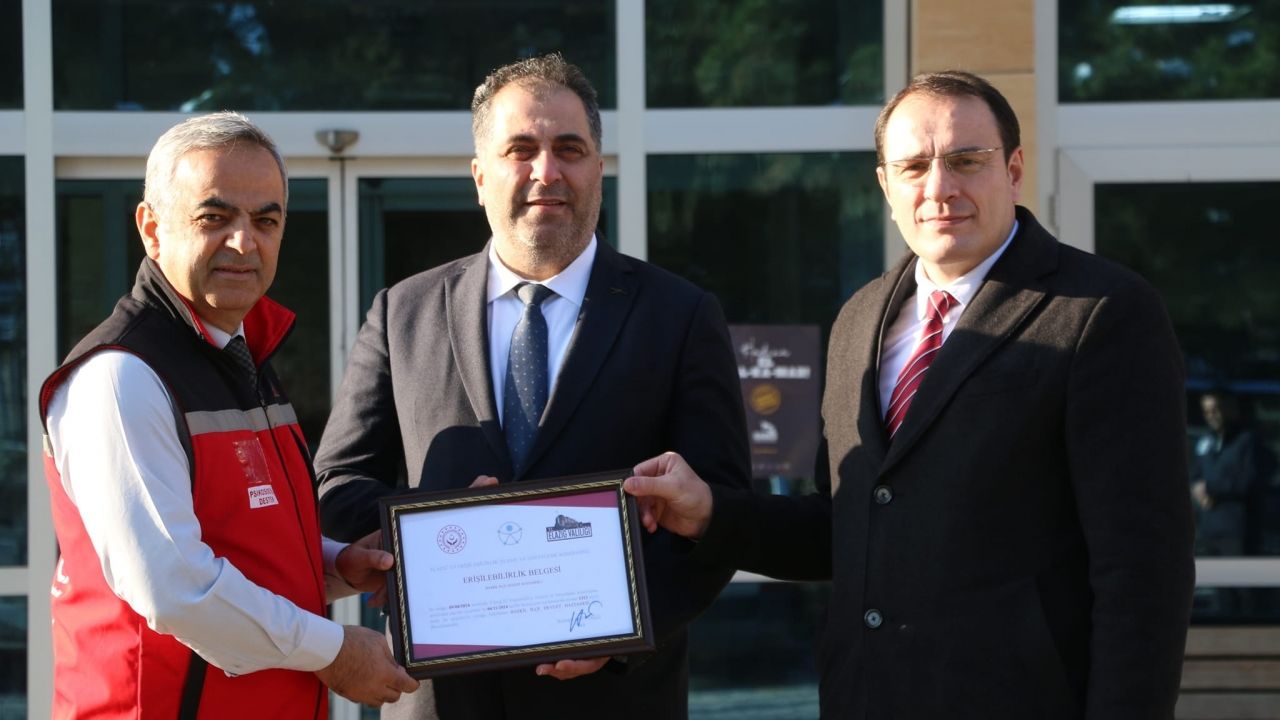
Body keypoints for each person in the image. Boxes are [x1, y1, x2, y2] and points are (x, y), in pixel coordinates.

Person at [625, 70, 1196, 719]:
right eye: (914, 167)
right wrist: (709, 513)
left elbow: (1143, 569)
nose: (939, 188)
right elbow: (843, 528)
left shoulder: (1101, 311)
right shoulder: (859, 320)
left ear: (1013, 170)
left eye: (966, 161)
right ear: (885, 185)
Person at [312, 54, 750, 719]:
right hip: (442, 701)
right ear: (479, 176)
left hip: (611, 701)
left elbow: (722, 512)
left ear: (597, 168)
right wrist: (439, 528)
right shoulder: (403, 312)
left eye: (569, 150)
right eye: (521, 150)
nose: (547, 171)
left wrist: (623, 635)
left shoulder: (680, 315)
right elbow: (338, 487)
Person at [40, 112, 419, 718]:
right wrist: (334, 651)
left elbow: (243, 544)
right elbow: (174, 588)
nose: (244, 242)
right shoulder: (121, 376)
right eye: (214, 218)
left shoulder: (239, 357)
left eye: (266, 220)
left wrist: (334, 565)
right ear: (152, 228)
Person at [1192, 388, 1276, 557]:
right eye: (1206, 411)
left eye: (1216, 409)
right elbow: (1196, 474)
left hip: (1237, 532)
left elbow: (1249, 480)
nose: (1211, 415)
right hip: (1208, 530)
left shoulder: (1249, 442)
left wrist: (1210, 487)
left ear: (1231, 409)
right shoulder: (1206, 442)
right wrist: (1196, 488)